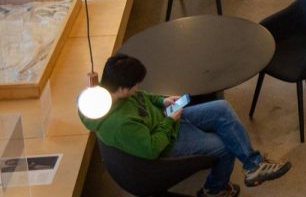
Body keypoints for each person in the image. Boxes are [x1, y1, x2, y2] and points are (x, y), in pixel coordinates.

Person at [80, 54, 291, 197]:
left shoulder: (103, 91)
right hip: (166, 140)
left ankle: (253, 165)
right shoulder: (120, 124)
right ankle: (214, 190)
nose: (139, 87)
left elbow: (142, 96)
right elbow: (152, 148)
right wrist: (168, 121)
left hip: (165, 119)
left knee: (222, 108)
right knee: (224, 147)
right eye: (136, 84)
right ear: (124, 89)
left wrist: (161, 101)